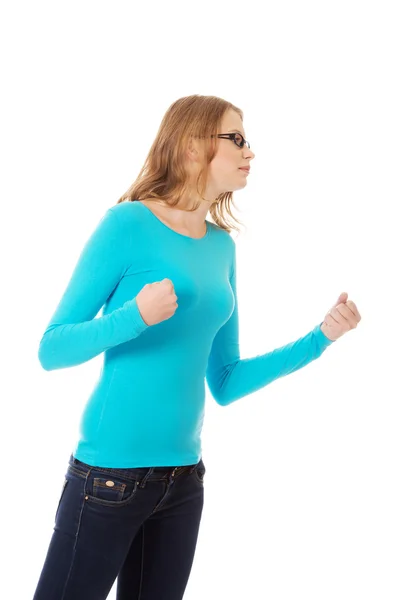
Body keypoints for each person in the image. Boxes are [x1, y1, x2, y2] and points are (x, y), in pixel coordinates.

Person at [32, 94, 361, 600]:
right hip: (109, 477)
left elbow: (225, 381)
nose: (250, 152)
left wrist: (321, 338)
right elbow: (52, 350)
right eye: (237, 139)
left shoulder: (221, 246)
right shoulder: (126, 224)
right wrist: (133, 317)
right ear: (190, 147)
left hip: (183, 481)